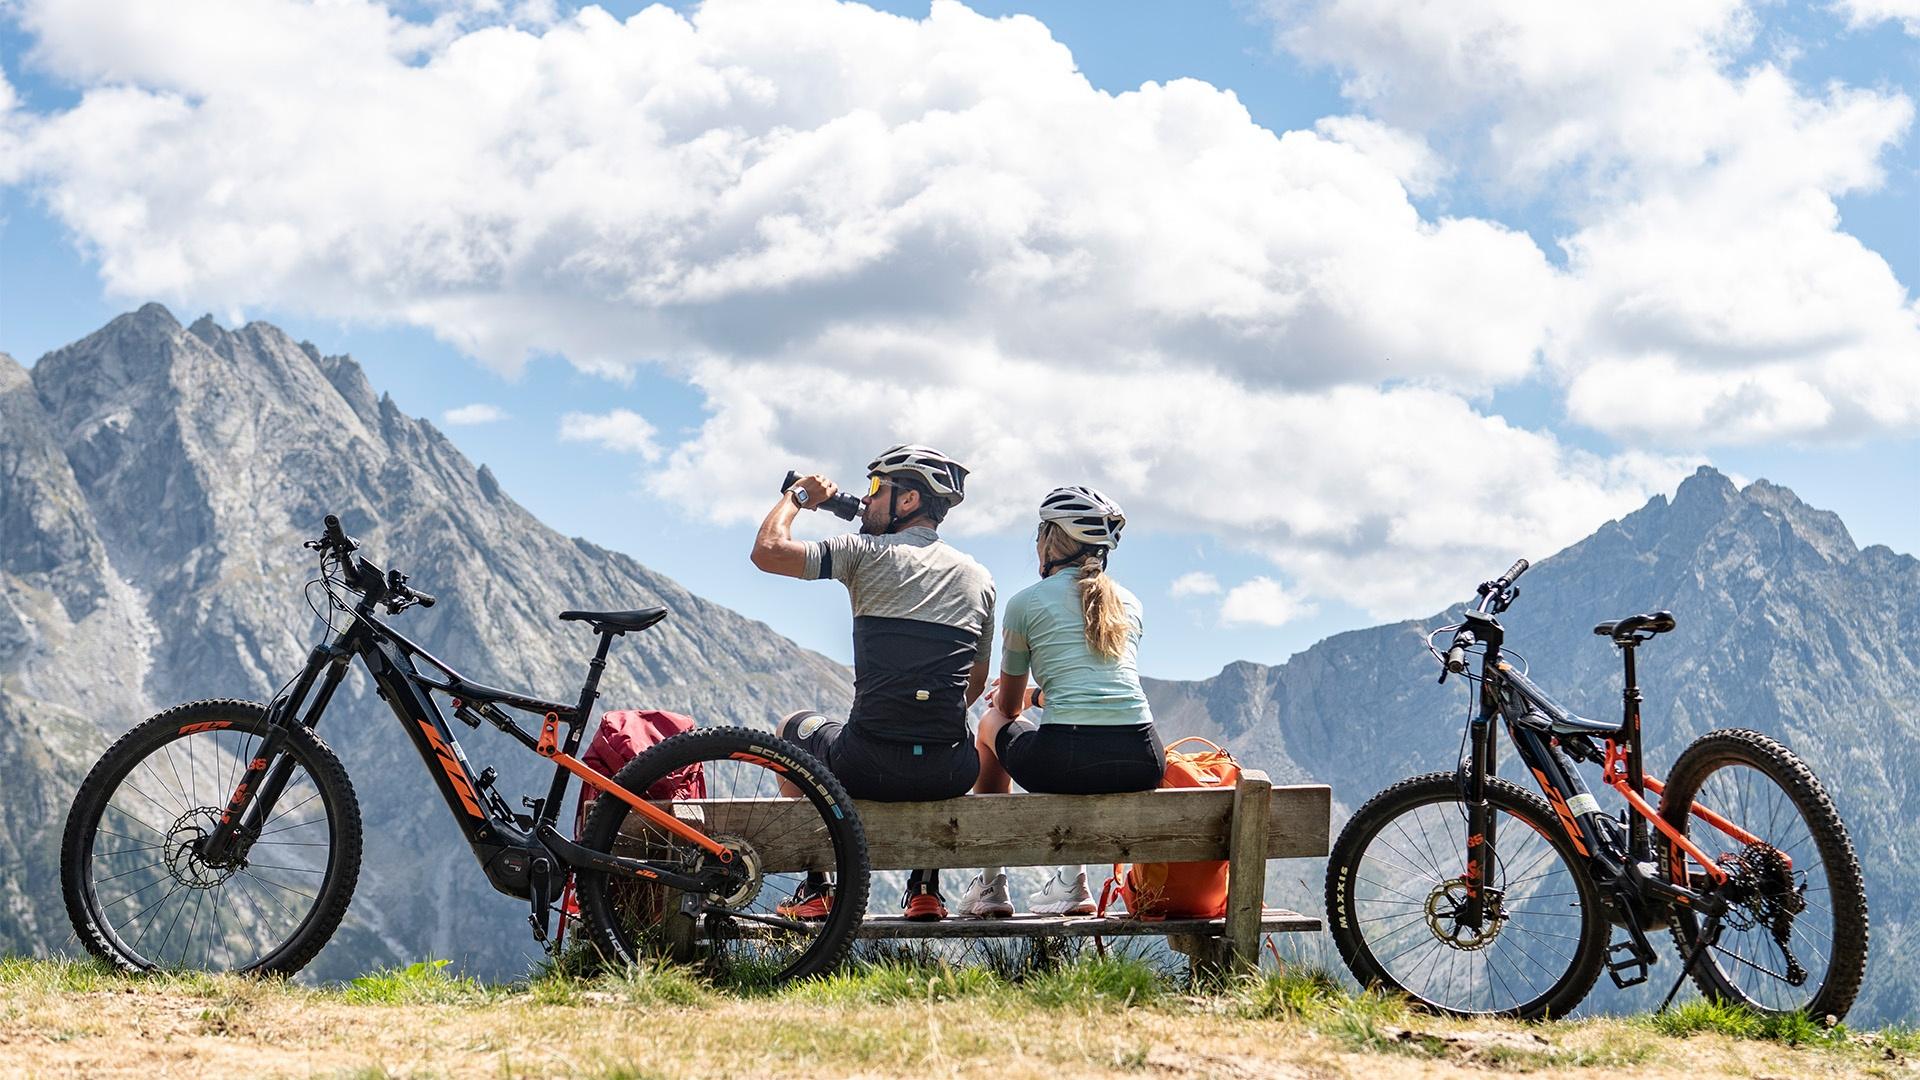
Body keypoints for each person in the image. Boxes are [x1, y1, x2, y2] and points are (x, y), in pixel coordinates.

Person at [750, 443, 995, 921]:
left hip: (866, 763)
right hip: (949, 770)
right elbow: (973, 685)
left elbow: (767, 551)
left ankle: (817, 887)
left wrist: (799, 496)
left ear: (907, 501)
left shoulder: (861, 553)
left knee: (791, 726)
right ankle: (925, 889)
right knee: (939, 730)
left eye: (876, 488)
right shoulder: (980, 577)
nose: (866, 500)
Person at [956, 486, 1162, 919]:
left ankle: (991, 884)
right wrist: (1039, 696)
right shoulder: (1132, 604)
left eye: (1039, 532)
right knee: (1086, 746)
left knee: (991, 723)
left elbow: (1009, 710)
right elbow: (1097, 691)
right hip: (1143, 757)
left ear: (1051, 540)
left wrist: (1020, 698)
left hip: (1068, 757)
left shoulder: (1026, 604)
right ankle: (1071, 883)